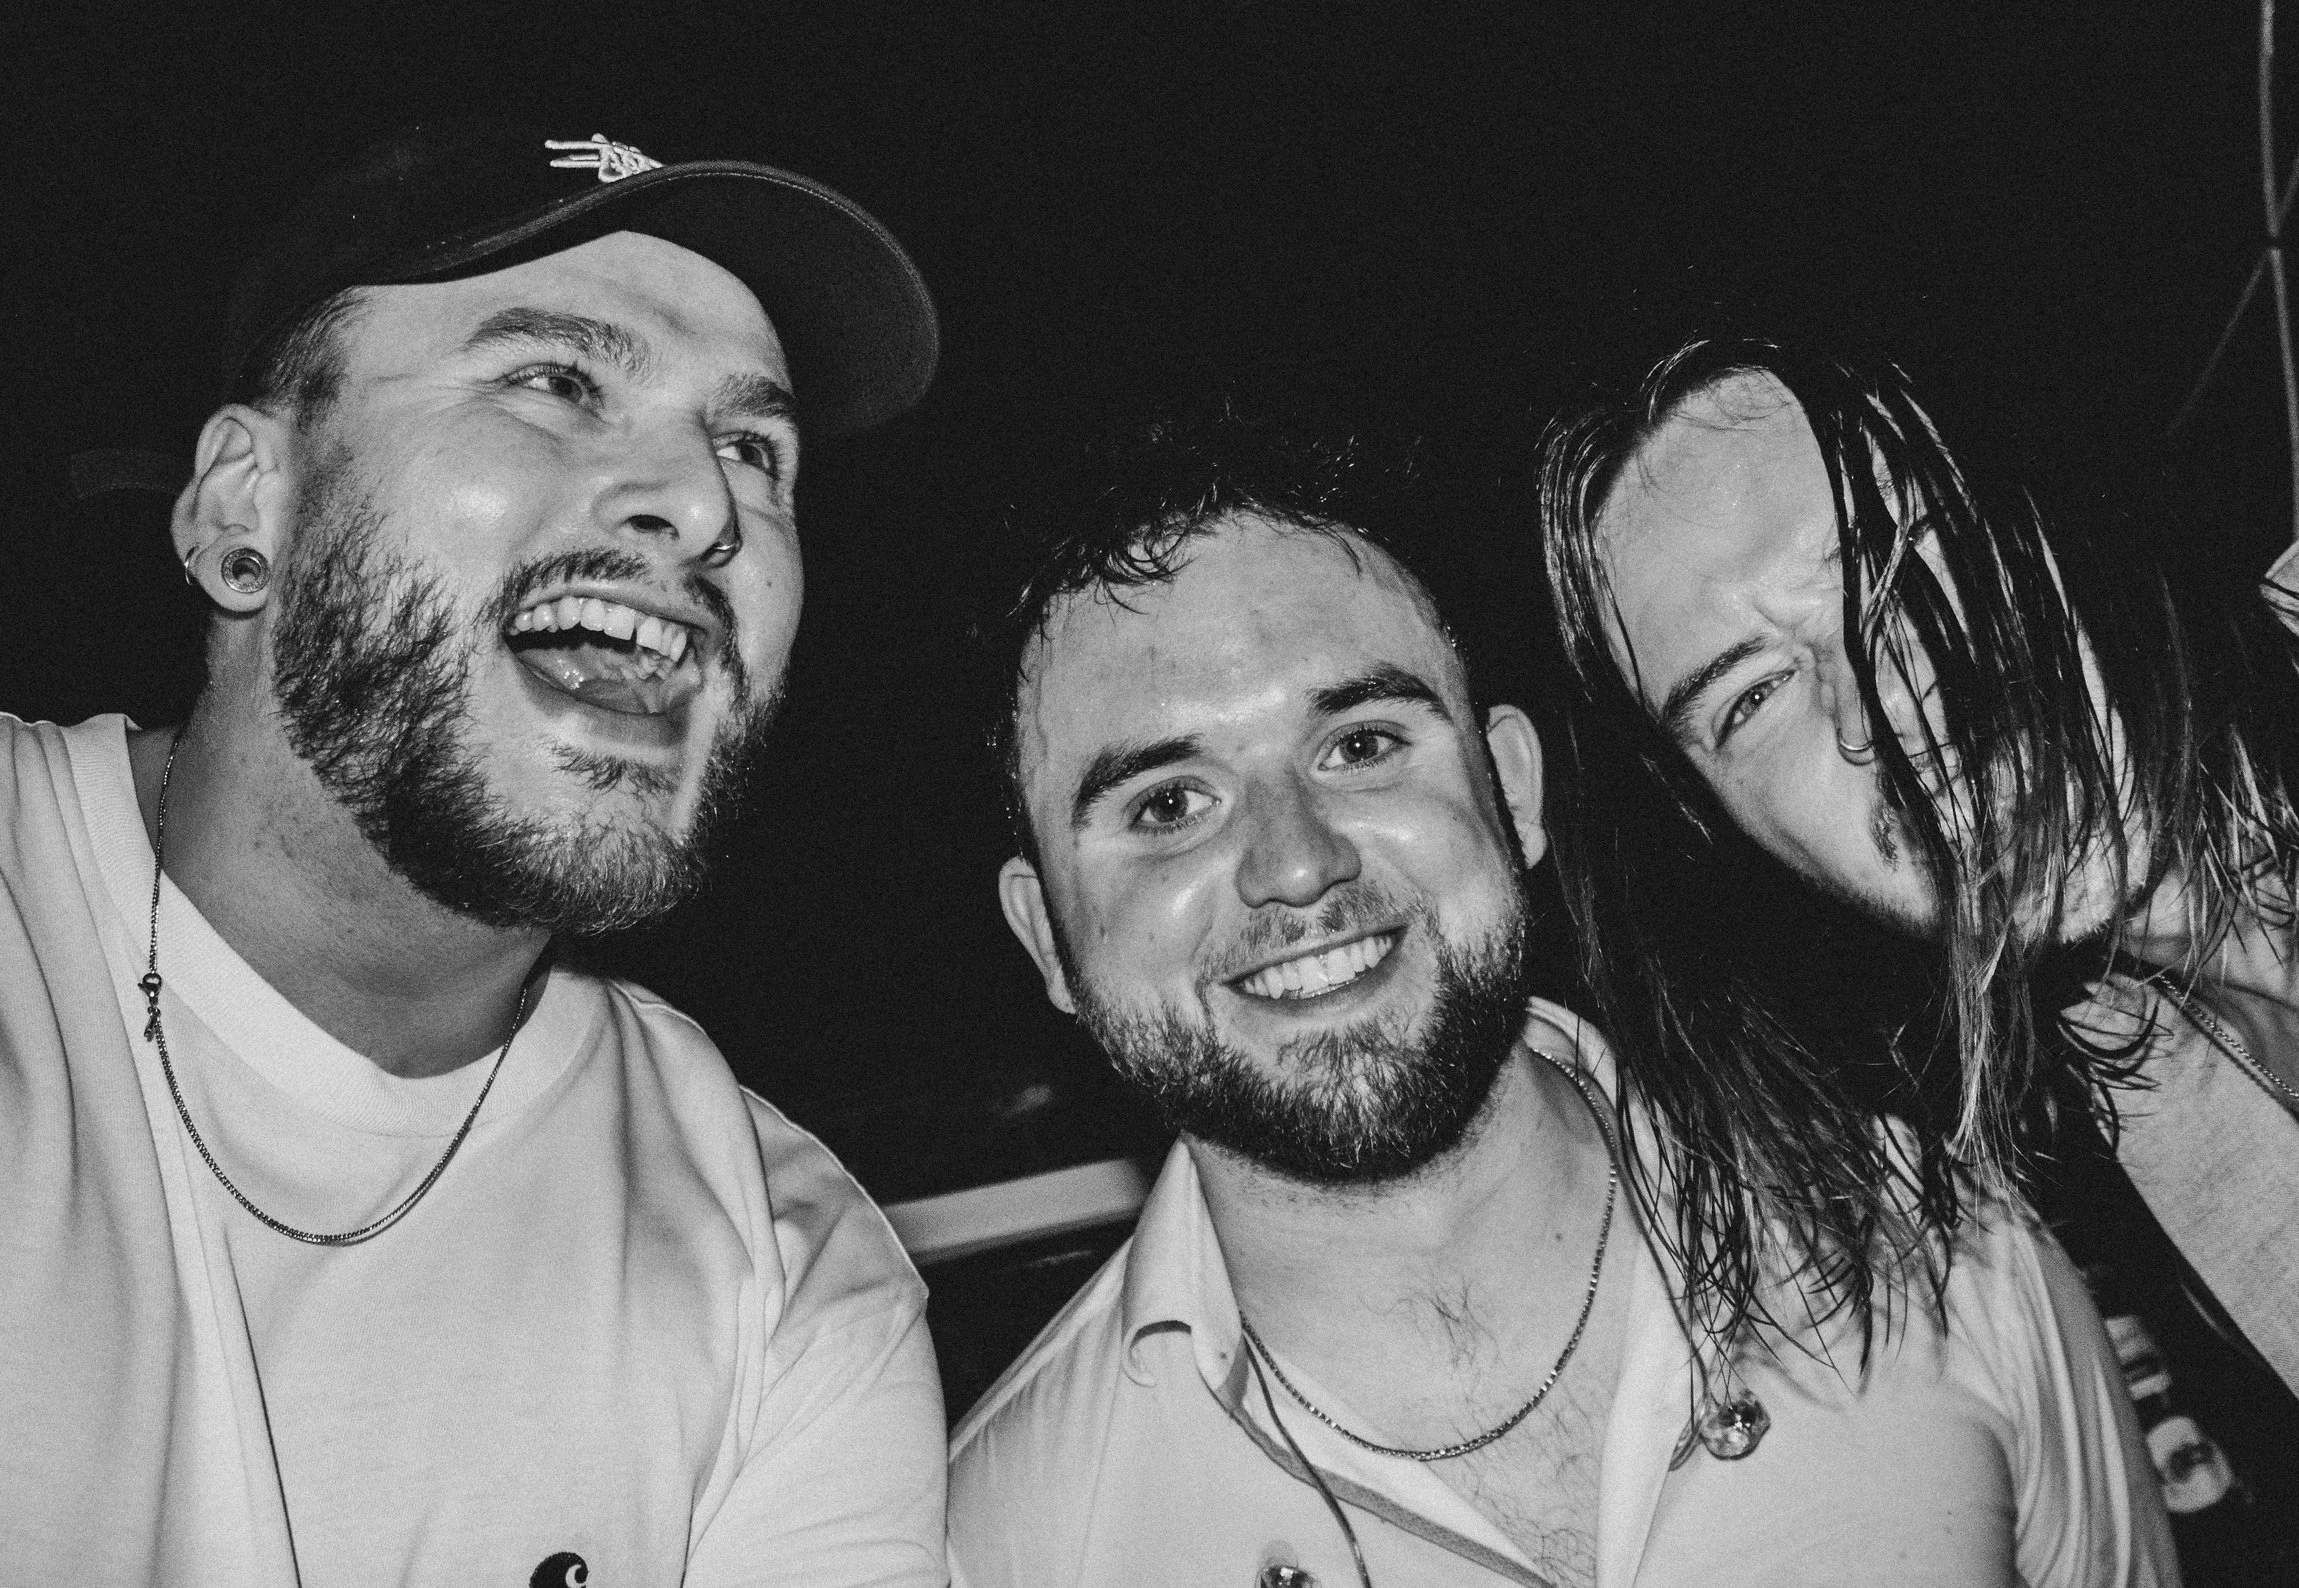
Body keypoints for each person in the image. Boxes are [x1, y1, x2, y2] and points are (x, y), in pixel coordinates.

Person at [945, 405, 2175, 1587]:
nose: (1296, 862)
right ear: (1044, 936)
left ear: (1514, 792)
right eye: (1168, 805)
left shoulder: (1937, 1243)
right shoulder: (992, 1547)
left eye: (1362, 743)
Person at [0, 123, 947, 1584]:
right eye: (558, 382)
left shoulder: (784, 1265)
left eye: (755, 450)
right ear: (248, 506)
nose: (704, 507)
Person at [1539, 326, 2299, 1578]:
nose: (1884, 711)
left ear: (2053, 497)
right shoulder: (2140, 1111)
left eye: (1899, 557)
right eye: (1751, 697)